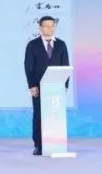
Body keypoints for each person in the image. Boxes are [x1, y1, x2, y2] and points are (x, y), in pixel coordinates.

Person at [24, 15, 70, 156]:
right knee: (39, 115)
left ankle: (56, 142)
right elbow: (28, 67)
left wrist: (65, 85)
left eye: (52, 26)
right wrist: (32, 85)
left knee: (55, 115)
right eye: (46, 26)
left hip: (56, 88)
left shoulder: (61, 44)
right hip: (39, 88)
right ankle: (39, 145)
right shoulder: (32, 45)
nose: (49, 28)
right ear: (40, 28)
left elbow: (66, 66)